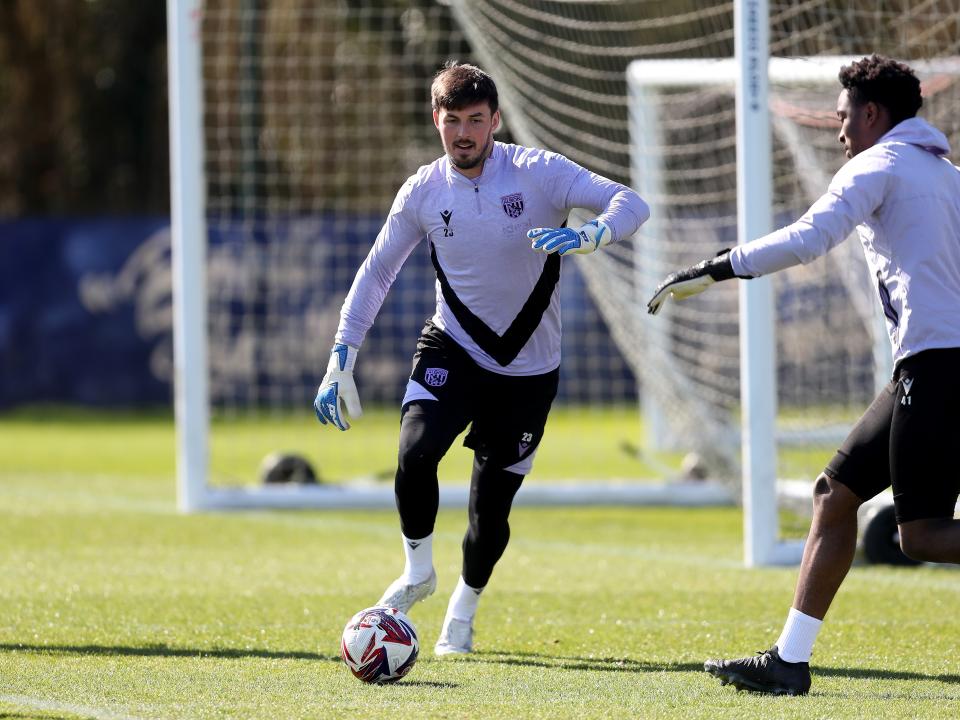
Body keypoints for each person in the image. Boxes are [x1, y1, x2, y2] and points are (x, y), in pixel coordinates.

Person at [647, 54, 960, 696]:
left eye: (844, 117)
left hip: (939, 366)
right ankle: (789, 661)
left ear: (873, 115)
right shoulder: (949, 176)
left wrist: (719, 267)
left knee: (923, 534)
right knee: (835, 493)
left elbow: (810, 236)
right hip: (933, 365)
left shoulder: (877, 164)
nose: (838, 130)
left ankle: (789, 660)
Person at [315, 61, 649, 655]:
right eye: (452, 121)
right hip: (453, 347)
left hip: (529, 371)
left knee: (488, 514)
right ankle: (418, 571)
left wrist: (589, 235)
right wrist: (342, 356)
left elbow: (630, 202)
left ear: (495, 120)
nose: (464, 133)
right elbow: (376, 272)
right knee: (414, 455)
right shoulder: (422, 190)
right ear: (436, 121)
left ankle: (461, 612)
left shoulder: (539, 173)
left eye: (476, 120)